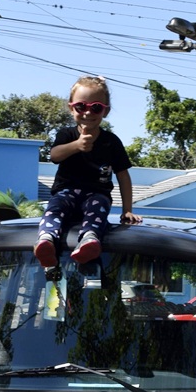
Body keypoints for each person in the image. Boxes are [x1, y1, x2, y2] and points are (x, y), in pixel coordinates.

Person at [34, 76, 138, 268]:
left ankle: (89, 240)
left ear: (106, 111)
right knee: (54, 208)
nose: (88, 112)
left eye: (96, 107)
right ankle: (46, 240)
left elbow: (123, 176)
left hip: (96, 194)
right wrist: (76, 145)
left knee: (98, 207)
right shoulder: (66, 134)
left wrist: (127, 210)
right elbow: (55, 155)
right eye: (81, 106)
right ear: (71, 108)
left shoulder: (111, 142)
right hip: (66, 192)